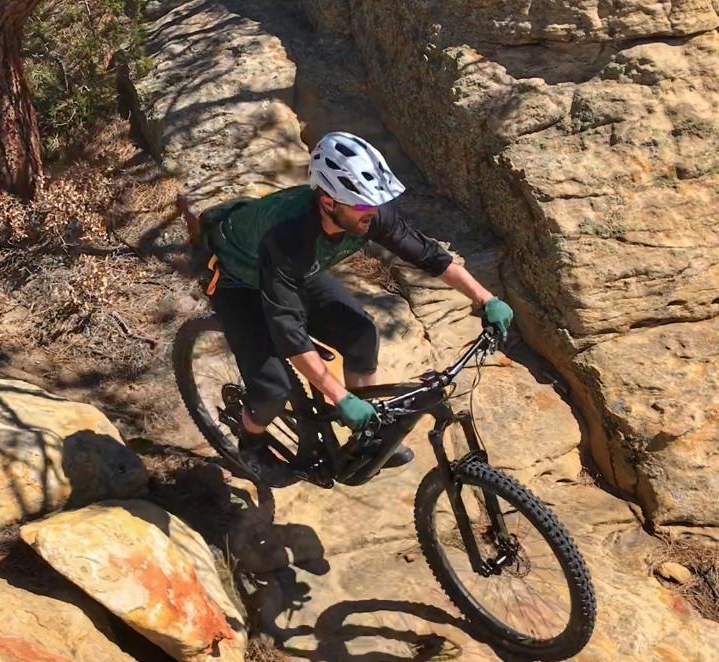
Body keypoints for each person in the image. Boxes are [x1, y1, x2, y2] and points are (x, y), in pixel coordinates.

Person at [192, 131, 512, 486]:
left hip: (296, 272)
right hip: (239, 282)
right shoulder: (288, 234)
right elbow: (289, 330)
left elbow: (428, 256)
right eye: (361, 206)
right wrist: (338, 395)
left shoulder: (369, 213)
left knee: (360, 333)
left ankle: (363, 434)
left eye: (374, 204)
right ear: (328, 203)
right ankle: (250, 444)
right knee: (272, 389)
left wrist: (486, 299)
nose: (371, 214)